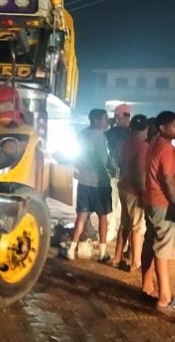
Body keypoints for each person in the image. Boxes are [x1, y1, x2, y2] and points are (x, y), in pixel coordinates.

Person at [141, 111, 175, 315]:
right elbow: (168, 180)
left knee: (151, 242)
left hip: (153, 201)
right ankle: (164, 298)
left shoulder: (155, 145)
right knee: (163, 249)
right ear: (163, 128)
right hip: (164, 203)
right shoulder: (166, 149)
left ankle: (147, 286)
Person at [68, 109, 113, 263]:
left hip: (84, 181)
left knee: (81, 216)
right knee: (103, 218)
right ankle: (101, 254)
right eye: (104, 119)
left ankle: (71, 250)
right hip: (99, 183)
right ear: (95, 121)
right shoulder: (100, 136)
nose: (107, 122)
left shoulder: (81, 134)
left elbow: (77, 157)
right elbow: (103, 160)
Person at [112, 114, 149, 271]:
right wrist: (144, 192)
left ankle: (117, 257)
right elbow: (141, 171)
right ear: (145, 129)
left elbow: (118, 162)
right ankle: (136, 262)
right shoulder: (143, 146)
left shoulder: (124, 142)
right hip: (135, 189)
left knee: (125, 225)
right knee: (137, 228)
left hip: (123, 186)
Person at [106, 103, 132, 237]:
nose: (116, 119)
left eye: (118, 117)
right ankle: (111, 229)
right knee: (112, 202)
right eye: (115, 117)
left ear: (127, 117)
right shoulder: (113, 131)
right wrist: (110, 125)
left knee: (126, 207)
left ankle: (124, 234)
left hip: (126, 175)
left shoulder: (132, 133)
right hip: (113, 173)